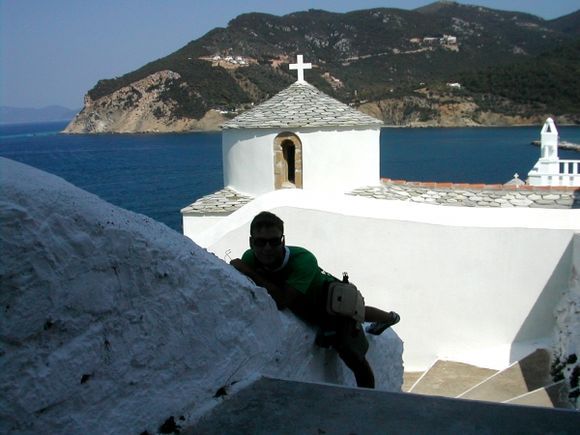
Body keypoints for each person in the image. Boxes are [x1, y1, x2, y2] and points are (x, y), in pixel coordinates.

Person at [230, 211, 400, 389]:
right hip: (308, 307)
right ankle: (389, 318)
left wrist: (248, 271)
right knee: (361, 312)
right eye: (260, 242)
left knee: (352, 353)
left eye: (273, 241)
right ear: (251, 242)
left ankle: (369, 396)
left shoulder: (303, 259)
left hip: (330, 303)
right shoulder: (250, 258)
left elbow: (282, 300)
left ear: (283, 240)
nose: (267, 248)